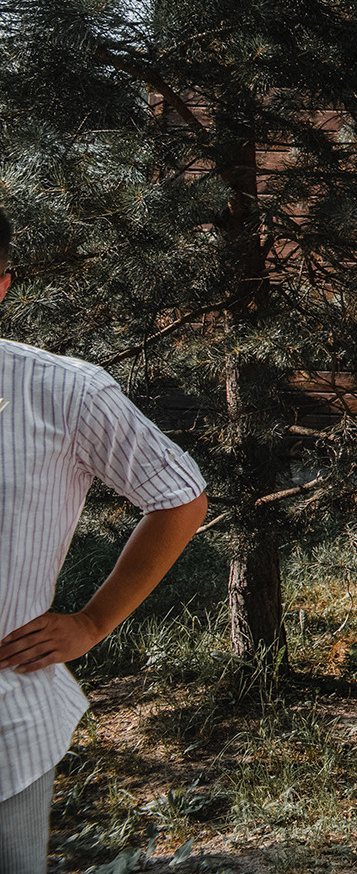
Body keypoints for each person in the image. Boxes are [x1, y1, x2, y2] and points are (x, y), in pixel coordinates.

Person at [0, 207, 210, 874]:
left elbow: (180, 496)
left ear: (1, 284)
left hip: (6, 726)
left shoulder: (63, 392)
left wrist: (92, 621)